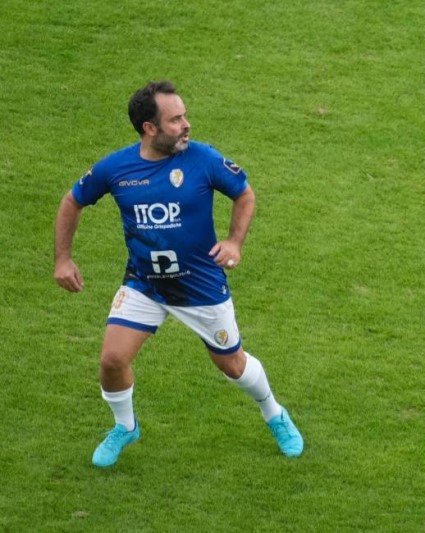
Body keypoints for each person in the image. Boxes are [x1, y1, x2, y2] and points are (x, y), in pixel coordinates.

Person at [54, 80, 304, 467]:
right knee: (112, 360)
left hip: (200, 286)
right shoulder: (116, 169)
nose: (186, 125)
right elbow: (73, 200)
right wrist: (63, 259)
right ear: (149, 128)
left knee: (233, 365)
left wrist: (235, 242)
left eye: (185, 116)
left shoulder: (202, 159)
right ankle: (125, 426)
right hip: (145, 284)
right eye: (175, 120)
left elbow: (244, 194)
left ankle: (274, 413)